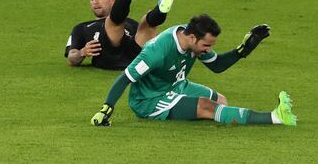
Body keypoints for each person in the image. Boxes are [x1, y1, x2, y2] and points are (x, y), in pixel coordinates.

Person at [91, 14, 297, 126]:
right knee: (207, 107)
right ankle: (276, 117)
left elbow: (216, 66)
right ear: (192, 39)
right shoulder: (158, 51)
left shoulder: (192, 39)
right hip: (150, 99)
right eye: (207, 46)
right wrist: (106, 109)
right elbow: (126, 77)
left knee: (221, 102)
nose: (209, 50)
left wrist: (243, 50)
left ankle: (201, 112)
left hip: (176, 85)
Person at [64, 0, 180, 70]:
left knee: (146, 23)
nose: (95, 1)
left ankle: (161, 8)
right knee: (115, 23)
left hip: (134, 59)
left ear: (114, 0)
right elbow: (71, 57)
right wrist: (82, 52)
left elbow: (149, 41)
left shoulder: (131, 23)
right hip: (109, 56)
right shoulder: (81, 28)